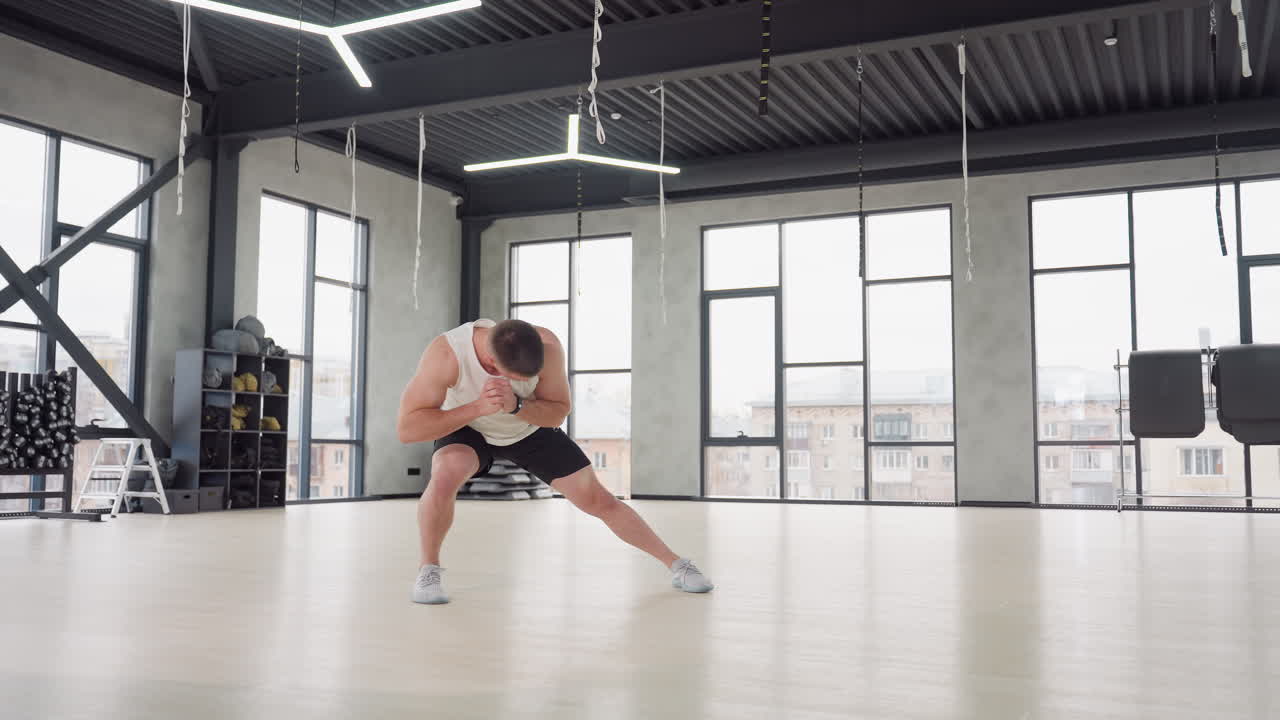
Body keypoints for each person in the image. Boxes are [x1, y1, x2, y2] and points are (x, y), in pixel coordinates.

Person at [397, 318, 713, 604]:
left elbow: (558, 412)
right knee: (444, 475)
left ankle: (678, 565)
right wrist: (478, 408)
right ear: (492, 365)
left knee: (598, 499)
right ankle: (428, 571)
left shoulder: (547, 346)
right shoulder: (448, 353)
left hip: (526, 425)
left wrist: (517, 405)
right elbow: (408, 429)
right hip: (468, 425)